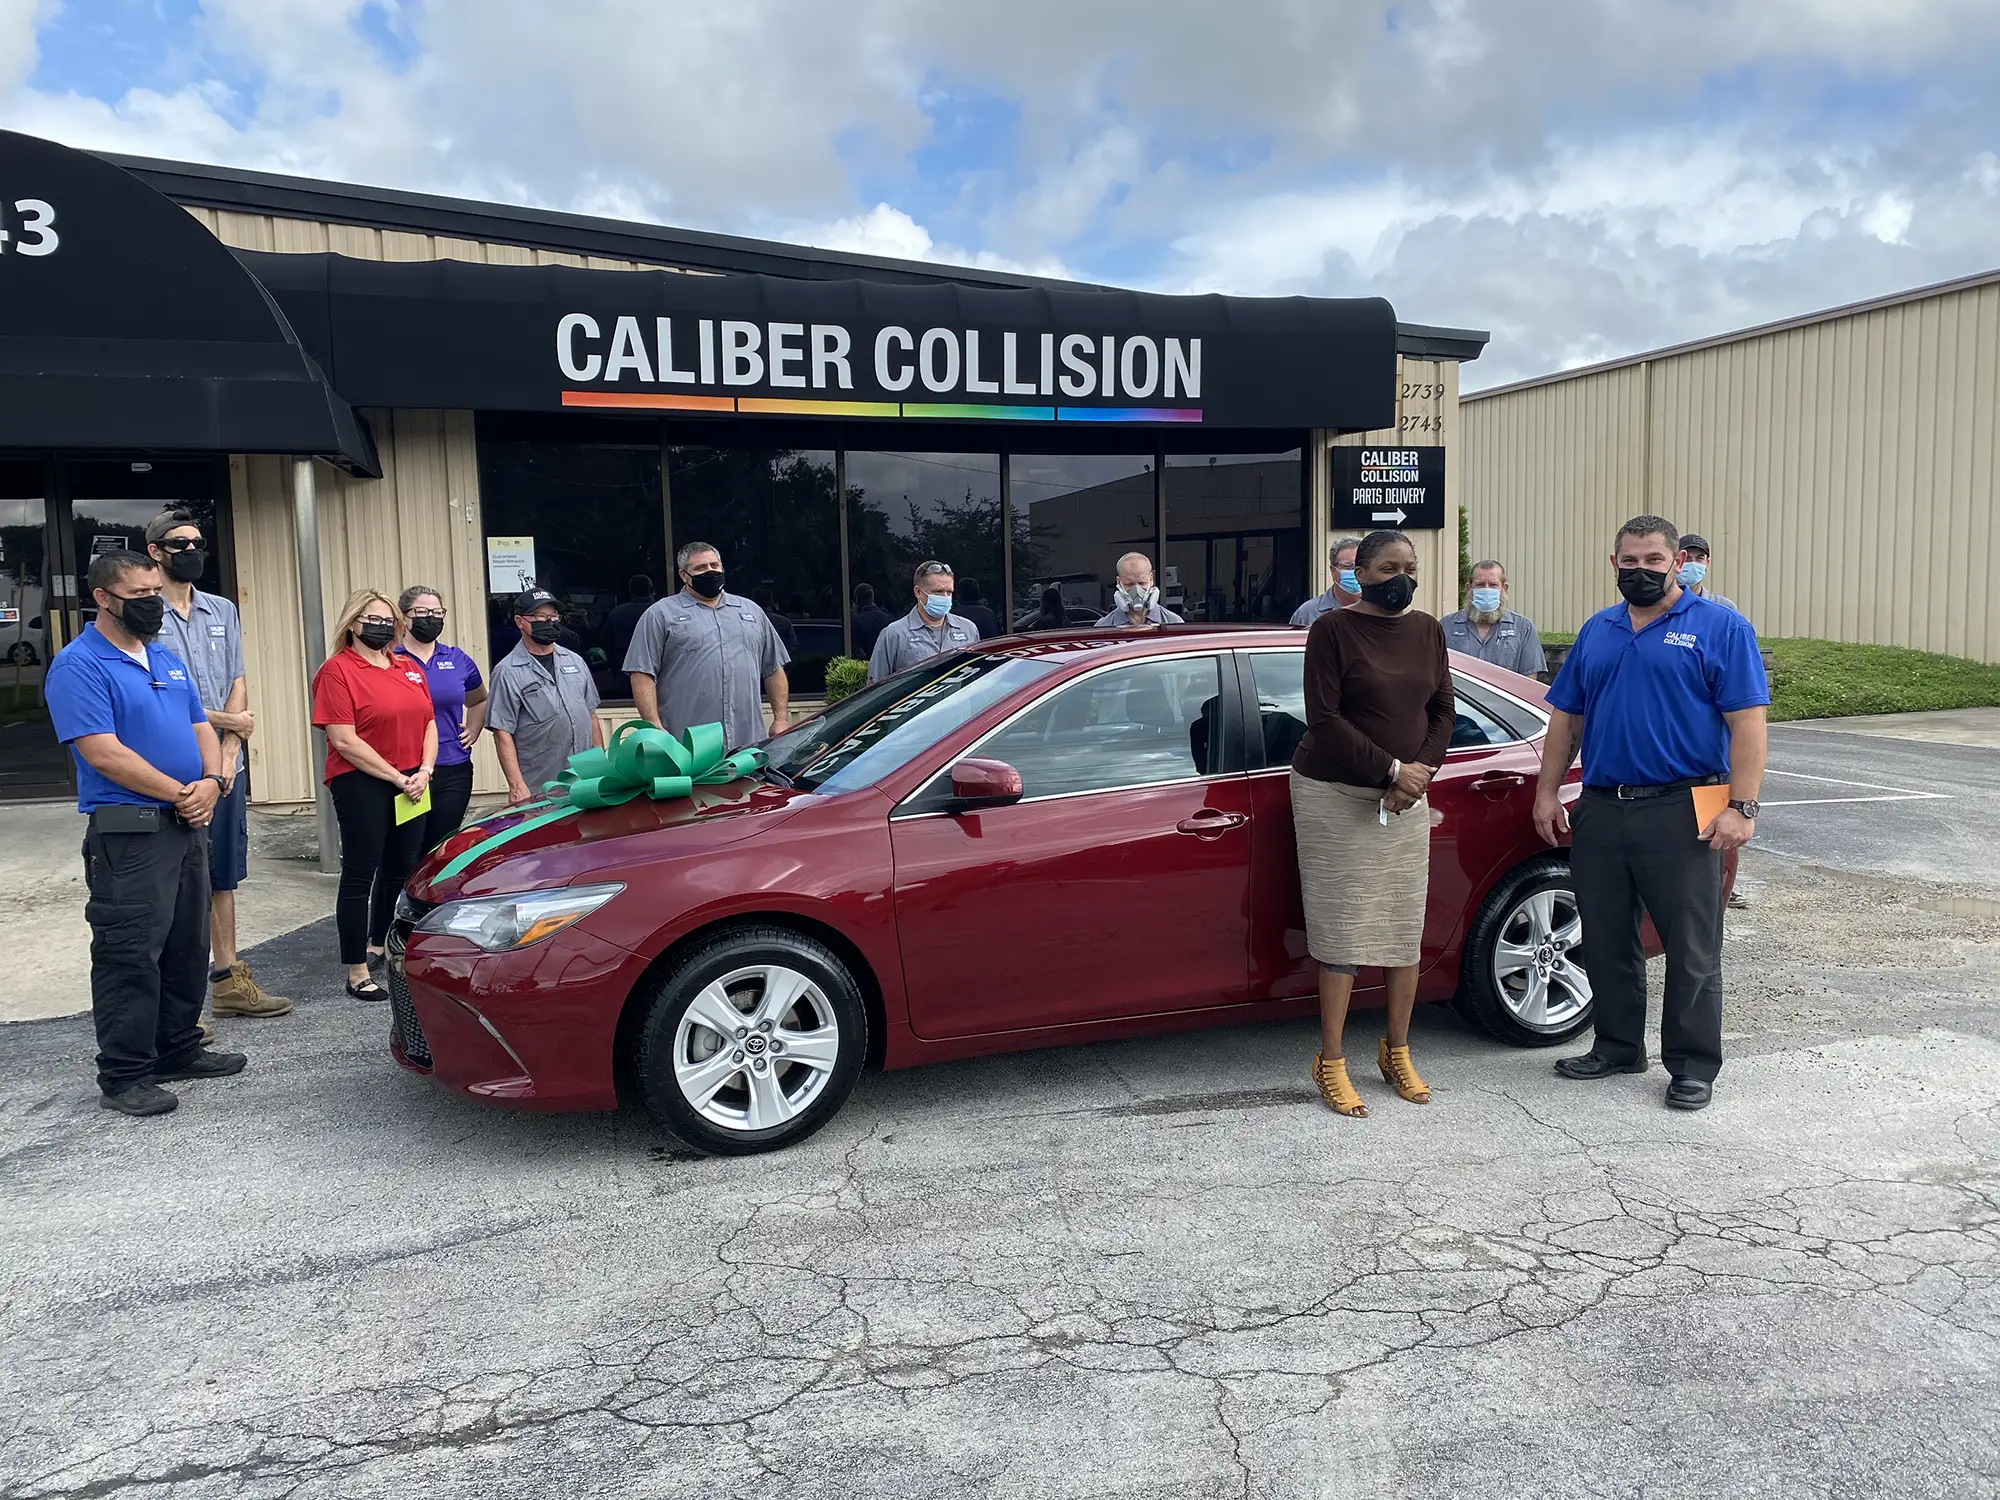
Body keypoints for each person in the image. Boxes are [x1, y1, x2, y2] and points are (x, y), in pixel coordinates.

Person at [1532, 515, 1768, 1113]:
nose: (1640, 571)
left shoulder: (1720, 627)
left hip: (1688, 805)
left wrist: (1742, 806)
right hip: (1603, 804)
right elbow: (1566, 718)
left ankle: (1691, 1066)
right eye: (1629, 562)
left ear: (1677, 563)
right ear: (1614, 564)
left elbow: (1748, 722)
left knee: (1691, 945)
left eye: (1653, 561)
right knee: (1606, 935)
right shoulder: (1598, 630)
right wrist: (1546, 792)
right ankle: (1616, 1046)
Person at [45, 549, 244, 1117]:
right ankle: (125, 1073)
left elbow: (200, 724)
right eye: (139, 596)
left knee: (187, 945)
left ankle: (176, 1047)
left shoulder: (163, 657)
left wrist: (212, 780)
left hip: (187, 825)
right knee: (129, 951)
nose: (153, 604)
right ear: (103, 598)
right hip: (130, 834)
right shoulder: (79, 665)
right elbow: (103, 753)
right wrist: (181, 792)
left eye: (156, 592)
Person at [1289, 529, 1454, 1119]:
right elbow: (1324, 717)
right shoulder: (1331, 630)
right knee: (1343, 930)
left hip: (1405, 798)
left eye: (1409, 566)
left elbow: (1442, 710)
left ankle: (1396, 1051)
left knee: (1402, 926)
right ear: (1359, 573)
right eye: (1389, 568)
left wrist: (1418, 775)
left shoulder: (1428, 630)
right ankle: (1331, 1060)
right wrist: (1392, 770)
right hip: (1334, 795)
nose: (1402, 578)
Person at [146, 510, 291, 1028]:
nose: (191, 551)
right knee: (173, 882)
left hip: (226, 769)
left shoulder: (222, 610)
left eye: (197, 542)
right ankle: (174, 1007)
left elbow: (238, 680)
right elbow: (158, 696)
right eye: (179, 543)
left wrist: (229, 753)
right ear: (155, 552)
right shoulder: (144, 614)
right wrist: (234, 723)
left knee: (220, 876)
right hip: (172, 769)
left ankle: (228, 982)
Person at [311, 589, 437, 1002]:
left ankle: (385, 945)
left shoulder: (407, 667)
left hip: (412, 781)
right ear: (352, 624)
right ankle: (357, 970)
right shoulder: (337, 671)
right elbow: (344, 740)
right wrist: (397, 777)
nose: (381, 627)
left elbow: (429, 722)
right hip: (362, 782)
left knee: (401, 869)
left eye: (388, 620)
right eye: (372, 620)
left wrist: (424, 771)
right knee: (360, 874)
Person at [624, 543, 790, 752]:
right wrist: (654, 726)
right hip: (686, 745)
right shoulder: (660, 614)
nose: (710, 571)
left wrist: (781, 718)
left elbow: (774, 668)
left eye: (714, 565)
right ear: (684, 575)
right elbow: (641, 673)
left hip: (747, 742)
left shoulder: (751, 611)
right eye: (701, 568)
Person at [487, 588, 605, 803]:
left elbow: (591, 716)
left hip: (585, 779)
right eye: (541, 617)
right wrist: (516, 785)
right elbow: (502, 731)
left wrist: (601, 766)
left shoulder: (575, 661)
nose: (549, 622)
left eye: (553, 616)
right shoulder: (507, 671)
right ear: (520, 622)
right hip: (540, 784)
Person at [394, 585, 488, 849]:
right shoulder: (390, 658)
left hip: (452, 767)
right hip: (405, 771)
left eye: (437, 612)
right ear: (403, 616)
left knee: (441, 847)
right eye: (421, 612)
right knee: (405, 850)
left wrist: (473, 730)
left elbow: (479, 699)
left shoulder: (456, 659)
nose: (431, 618)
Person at [868, 560, 979, 682]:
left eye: (949, 592)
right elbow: (875, 685)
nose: (945, 597)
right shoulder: (894, 634)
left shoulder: (968, 629)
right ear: (918, 592)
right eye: (938, 592)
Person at [1440, 559, 1547, 678]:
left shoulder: (1523, 628)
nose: (1486, 589)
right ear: (1468, 588)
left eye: (1493, 585)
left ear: (1504, 588)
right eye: (1480, 585)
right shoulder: (1446, 626)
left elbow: (1529, 678)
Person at [1094, 552, 1185, 627]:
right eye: (1129, 584)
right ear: (1118, 582)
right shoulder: (1103, 627)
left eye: (1142, 583)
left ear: (1151, 580)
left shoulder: (1174, 623)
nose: (1137, 591)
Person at [1291, 537, 1363, 627]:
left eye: (1361, 566)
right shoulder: (1307, 613)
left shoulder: (1378, 610)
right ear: (1333, 571)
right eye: (1348, 566)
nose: (1355, 572)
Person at [1676, 534, 1739, 614]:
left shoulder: (1724, 607)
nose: (1693, 564)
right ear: (1676, 561)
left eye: (1700, 558)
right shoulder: (1662, 605)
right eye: (1687, 558)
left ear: (1707, 563)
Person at [604, 574, 656, 670]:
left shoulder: (616, 613)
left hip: (625, 667)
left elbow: (607, 644)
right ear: (652, 590)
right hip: (657, 667)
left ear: (630, 592)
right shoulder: (662, 612)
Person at [750, 586, 799, 657]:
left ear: (752, 602)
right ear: (771, 602)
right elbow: (792, 646)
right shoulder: (784, 622)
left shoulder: (745, 621)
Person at [851, 583, 895, 660]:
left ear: (858, 600)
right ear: (872, 597)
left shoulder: (856, 621)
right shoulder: (889, 617)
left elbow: (857, 650)